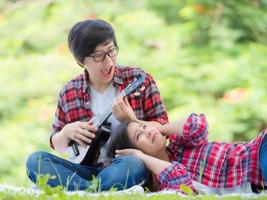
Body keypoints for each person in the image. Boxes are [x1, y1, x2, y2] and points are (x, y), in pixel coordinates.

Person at [26, 19, 168, 191]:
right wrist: (66, 132)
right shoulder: (69, 91)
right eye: (99, 56)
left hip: (125, 166)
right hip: (83, 170)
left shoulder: (138, 79)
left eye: (111, 51)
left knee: (134, 163)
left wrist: (132, 120)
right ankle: (93, 191)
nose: (108, 62)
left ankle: (79, 191)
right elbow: (57, 144)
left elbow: (163, 129)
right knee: (35, 161)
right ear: (81, 61)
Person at [109, 113, 267, 195]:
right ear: (136, 152)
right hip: (258, 179)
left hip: (258, 152)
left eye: (143, 127)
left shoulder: (180, 144)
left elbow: (197, 124)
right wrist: (141, 158)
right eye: (139, 136)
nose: (147, 132)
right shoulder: (163, 185)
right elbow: (181, 179)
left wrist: (157, 128)